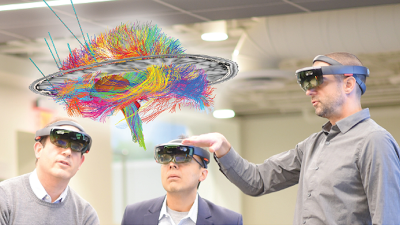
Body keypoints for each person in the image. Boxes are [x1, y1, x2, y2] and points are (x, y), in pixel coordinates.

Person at [182, 52, 400, 224]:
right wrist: (223, 148)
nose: (309, 91)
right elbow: (257, 181)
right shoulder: (314, 145)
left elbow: (388, 219)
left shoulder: (374, 141)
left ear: (349, 84)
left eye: (317, 81)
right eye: (306, 84)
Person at [0, 118, 99, 225]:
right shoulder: (5, 198)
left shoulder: (85, 215)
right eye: (60, 142)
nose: (68, 152)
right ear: (39, 150)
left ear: (80, 162)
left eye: (76, 147)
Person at [121, 138, 243, 225]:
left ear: (203, 174)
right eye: (165, 159)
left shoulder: (228, 221)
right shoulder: (133, 216)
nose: (172, 164)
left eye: (183, 158)